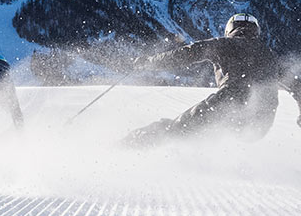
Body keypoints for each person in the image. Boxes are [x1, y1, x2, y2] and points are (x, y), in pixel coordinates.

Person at [124, 12, 301, 147]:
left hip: (229, 103)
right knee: (207, 136)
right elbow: (297, 85)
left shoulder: (223, 44)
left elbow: (184, 55)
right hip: (261, 123)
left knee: (175, 129)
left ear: (230, 29)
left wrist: (148, 62)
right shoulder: (271, 56)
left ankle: (126, 146)